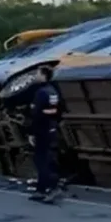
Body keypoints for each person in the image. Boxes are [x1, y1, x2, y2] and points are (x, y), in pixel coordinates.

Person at [28, 66, 62, 204]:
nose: (36, 76)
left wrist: (31, 133)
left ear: (43, 75)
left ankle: (53, 188)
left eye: (37, 73)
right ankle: (40, 190)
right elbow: (57, 111)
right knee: (49, 158)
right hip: (52, 128)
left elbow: (36, 114)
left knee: (41, 161)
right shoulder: (53, 91)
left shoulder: (41, 92)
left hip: (42, 130)